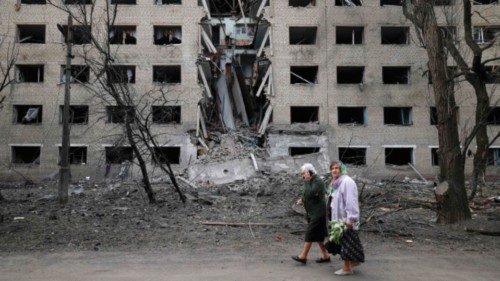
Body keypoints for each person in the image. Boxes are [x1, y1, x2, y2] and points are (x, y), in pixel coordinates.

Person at [328, 161, 365, 275]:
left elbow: (351, 201)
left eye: (337, 168)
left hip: (346, 219)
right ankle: (352, 262)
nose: (334, 170)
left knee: (346, 244)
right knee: (346, 243)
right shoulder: (336, 183)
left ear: (342, 170)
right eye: (332, 168)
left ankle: (347, 268)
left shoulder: (347, 182)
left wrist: (351, 218)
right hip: (338, 219)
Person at [292, 163, 330, 265]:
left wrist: (307, 180)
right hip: (312, 212)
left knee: (310, 233)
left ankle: (303, 256)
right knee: (318, 235)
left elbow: (310, 193)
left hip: (318, 212)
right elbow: (306, 194)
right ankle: (326, 255)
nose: (302, 176)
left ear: (309, 172)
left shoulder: (317, 181)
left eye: (303, 173)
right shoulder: (310, 181)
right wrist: (302, 200)